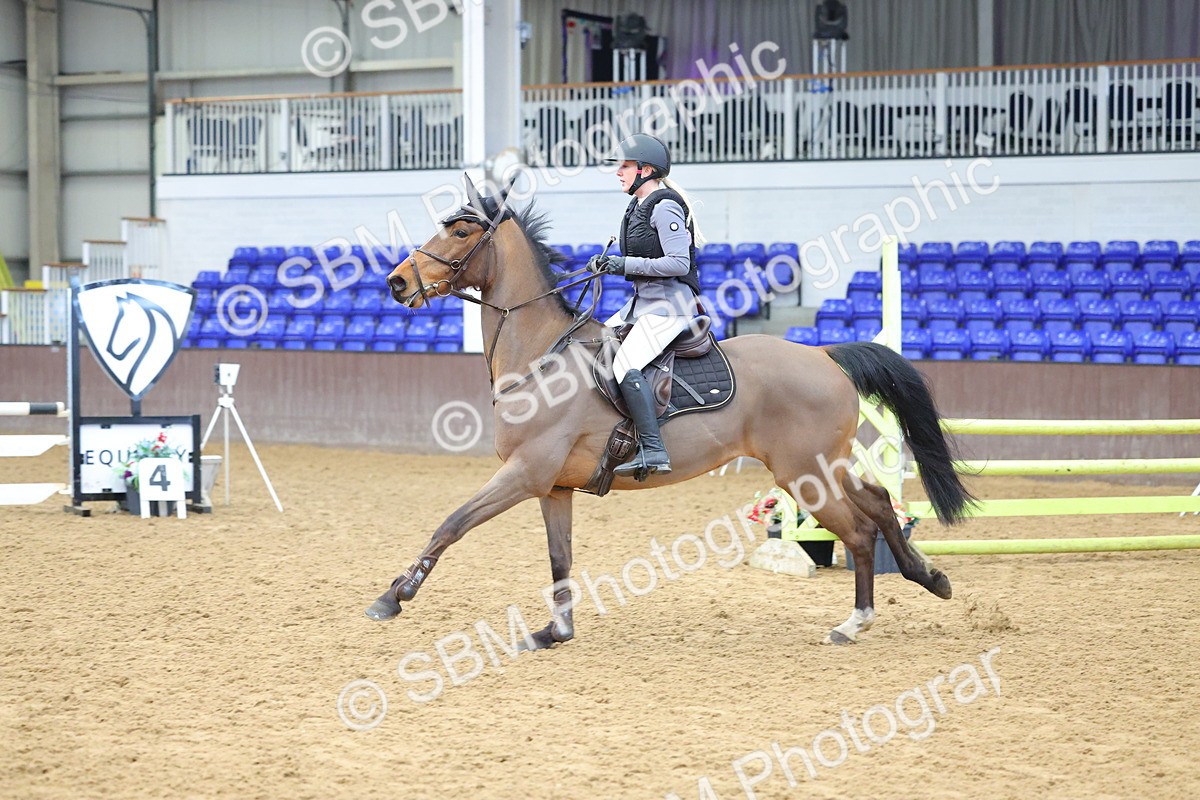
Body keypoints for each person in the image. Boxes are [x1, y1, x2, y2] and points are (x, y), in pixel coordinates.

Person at [587, 133, 704, 481]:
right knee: (594, 342)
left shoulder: (665, 205)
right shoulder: (635, 206)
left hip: (670, 306)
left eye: (624, 166)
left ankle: (653, 449)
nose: (618, 172)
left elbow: (678, 263)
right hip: (642, 303)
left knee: (624, 364)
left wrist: (623, 265)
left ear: (646, 169)